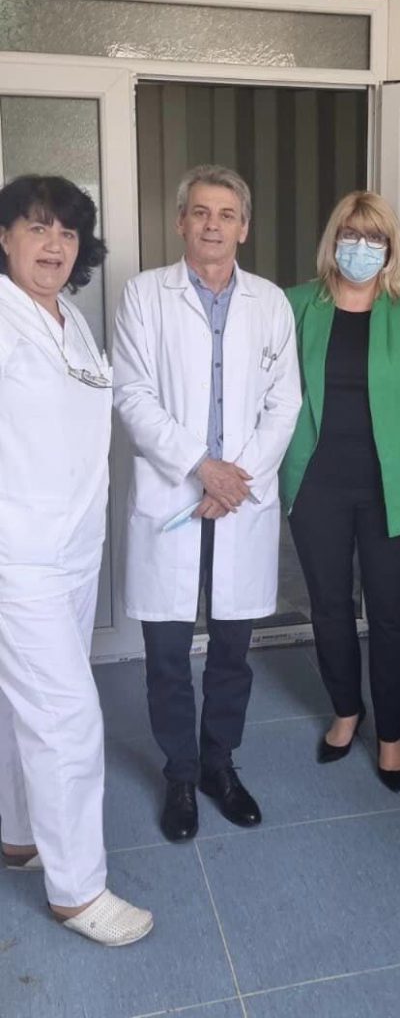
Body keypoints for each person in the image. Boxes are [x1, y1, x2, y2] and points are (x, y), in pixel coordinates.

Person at [113, 165, 301, 842]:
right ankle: (180, 774)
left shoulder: (270, 302)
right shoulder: (143, 296)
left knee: (231, 652)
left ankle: (219, 764)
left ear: (244, 228)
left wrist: (234, 481)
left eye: (226, 214)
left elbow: (285, 403)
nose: (212, 225)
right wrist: (202, 468)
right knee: (166, 652)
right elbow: (132, 394)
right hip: (176, 494)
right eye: (200, 212)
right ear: (180, 222)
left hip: (238, 502)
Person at [0, 175, 153, 945]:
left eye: (67, 232)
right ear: (5, 237)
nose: (54, 244)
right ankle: (76, 892)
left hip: (73, 548)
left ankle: (19, 836)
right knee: (65, 715)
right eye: (36, 227)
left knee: (20, 706)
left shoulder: (70, 321)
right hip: (18, 553)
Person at [280, 190, 400, 791]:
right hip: (317, 484)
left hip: (394, 486)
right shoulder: (297, 305)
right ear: (333, 241)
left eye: (374, 237)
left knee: (390, 613)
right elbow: (270, 394)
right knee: (329, 606)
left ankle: (391, 733)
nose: (362, 247)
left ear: (390, 246)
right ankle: (345, 710)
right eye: (351, 235)